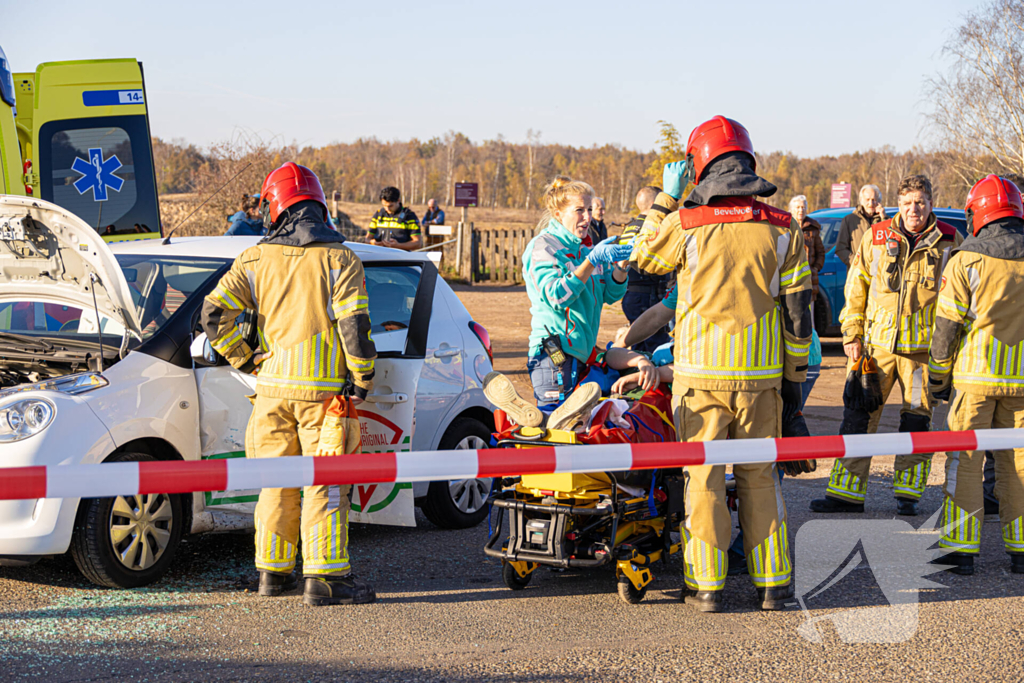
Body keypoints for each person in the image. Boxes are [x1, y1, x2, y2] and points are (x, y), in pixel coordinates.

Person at [630, 116, 812, 613]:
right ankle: (773, 585)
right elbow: (799, 315)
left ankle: (706, 588)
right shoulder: (783, 228)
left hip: (700, 381)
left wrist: (667, 199)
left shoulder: (685, 223)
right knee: (758, 479)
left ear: (700, 166)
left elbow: (642, 259)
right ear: (748, 163)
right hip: (761, 382)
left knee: (704, 481)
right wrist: (793, 383)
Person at [202, 162, 377, 606]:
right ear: (318, 206)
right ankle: (324, 580)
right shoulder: (341, 260)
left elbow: (213, 314)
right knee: (325, 485)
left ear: (273, 207)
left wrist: (243, 356)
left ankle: (272, 574)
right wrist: (362, 377)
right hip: (324, 400)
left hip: (271, 394)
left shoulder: (254, 259)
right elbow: (354, 327)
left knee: (275, 483)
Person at [811, 175, 962, 516]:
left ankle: (908, 496)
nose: (914, 210)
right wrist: (851, 334)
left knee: (916, 424)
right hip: (877, 349)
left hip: (923, 353)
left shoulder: (951, 241)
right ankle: (845, 495)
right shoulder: (876, 237)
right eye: (908, 203)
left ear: (930, 203)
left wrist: (950, 349)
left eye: (921, 203)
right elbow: (857, 286)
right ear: (899, 204)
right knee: (858, 416)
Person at [929, 174, 1024, 577]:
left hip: (974, 379)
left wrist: (938, 379)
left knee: (965, 462)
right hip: (1021, 383)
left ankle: (960, 550)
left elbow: (946, 328)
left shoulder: (966, 259)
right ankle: (1021, 551)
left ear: (977, 213)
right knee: (1018, 465)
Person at [483, 177, 631, 432]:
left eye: (589, 209)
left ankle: (530, 420)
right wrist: (591, 261)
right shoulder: (543, 247)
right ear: (558, 213)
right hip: (553, 351)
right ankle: (527, 423)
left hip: (580, 354)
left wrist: (621, 268)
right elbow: (556, 295)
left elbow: (608, 294)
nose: (587, 217)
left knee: (571, 427)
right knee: (560, 430)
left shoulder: (584, 250)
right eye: (579, 210)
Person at [620, 186, 674, 354]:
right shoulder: (652, 229)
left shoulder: (629, 228)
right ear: (653, 205)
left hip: (631, 295)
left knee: (638, 346)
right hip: (649, 296)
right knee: (655, 348)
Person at [835, 184, 886, 266]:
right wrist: (856, 263)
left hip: (879, 274)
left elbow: (891, 243)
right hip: (857, 274)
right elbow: (841, 248)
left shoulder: (885, 220)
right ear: (861, 200)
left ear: (879, 201)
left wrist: (883, 218)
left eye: (874, 199)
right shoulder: (850, 220)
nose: (871, 203)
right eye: (867, 199)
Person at [367, 187, 422, 251]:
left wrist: (398, 246)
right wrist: (372, 242)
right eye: (384, 205)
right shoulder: (378, 214)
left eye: (390, 206)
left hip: (400, 258)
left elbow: (418, 243)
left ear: (398, 201)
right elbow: (367, 239)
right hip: (379, 256)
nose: (387, 209)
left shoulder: (409, 216)